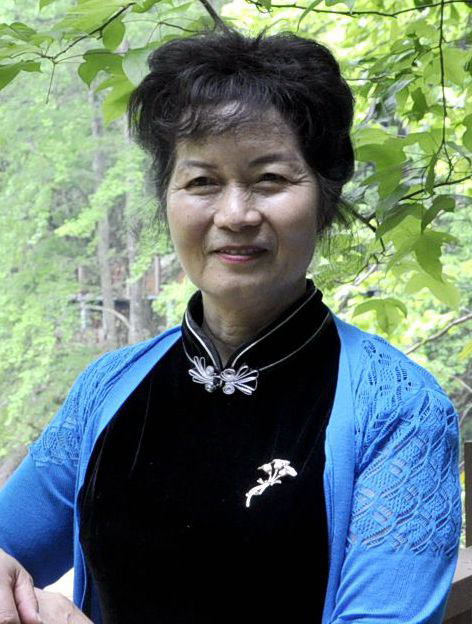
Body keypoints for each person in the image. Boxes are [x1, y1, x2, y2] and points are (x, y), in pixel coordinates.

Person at [0, 27, 462, 624]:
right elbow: (9, 541)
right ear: (167, 199)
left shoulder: (400, 410)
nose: (236, 214)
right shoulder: (108, 387)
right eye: (202, 182)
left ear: (325, 199)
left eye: (270, 179)